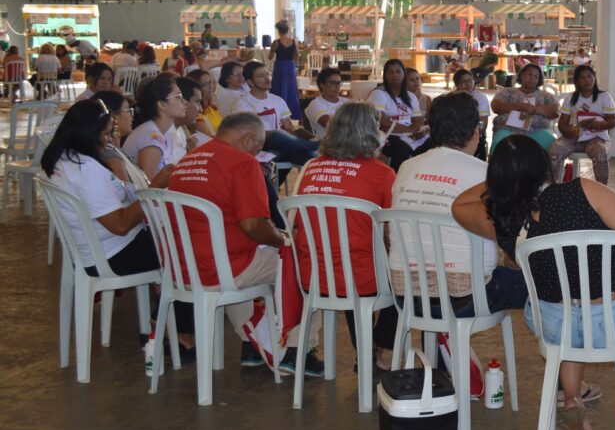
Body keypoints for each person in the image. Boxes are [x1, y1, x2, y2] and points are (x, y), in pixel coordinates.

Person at [451, 134, 615, 430]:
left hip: (555, 327)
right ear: (543, 165)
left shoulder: (501, 218)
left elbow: (458, 205)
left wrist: (502, 182)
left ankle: (572, 400)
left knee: (566, 310)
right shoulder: (582, 191)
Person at [168, 113, 322, 374]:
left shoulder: (187, 161)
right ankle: (299, 350)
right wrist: (284, 241)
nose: (257, 153)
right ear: (250, 139)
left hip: (182, 269)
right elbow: (253, 226)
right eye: (259, 147)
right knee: (309, 264)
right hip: (224, 268)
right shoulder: (241, 162)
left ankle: (252, 345)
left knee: (250, 257)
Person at [41, 98, 195, 348]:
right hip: (114, 254)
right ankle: (175, 328)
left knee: (180, 237)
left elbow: (115, 198)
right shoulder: (86, 170)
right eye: (105, 134)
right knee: (189, 248)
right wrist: (155, 188)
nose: (109, 140)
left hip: (96, 248)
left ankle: (170, 318)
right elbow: (120, 225)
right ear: (87, 134)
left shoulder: (62, 159)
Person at [392, 92, 533, 322]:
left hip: (406, 295)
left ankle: (440, 345)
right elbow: (512, 246)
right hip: (467, 297)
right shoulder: (487, 174)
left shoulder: (406, 167)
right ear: (476, 132)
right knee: (548, 280)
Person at [291, 102, 398, 363]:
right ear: (370, 132)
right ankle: (380, 346)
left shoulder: (310, 168)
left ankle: (367, 350)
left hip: (312, 276)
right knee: (408, 277)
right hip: (361, 279)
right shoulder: (382, 174)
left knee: (350, 257)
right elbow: (392, 235)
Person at [236, 61, 319, 169]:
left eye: (267, 74)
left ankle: (319, 157)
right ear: (250, 82)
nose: (267, 79)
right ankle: (318, 145)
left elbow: (289, 127)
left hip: (279, 147)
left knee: (307, 155)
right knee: (275, 135)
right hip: (258, 147)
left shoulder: (278, 100)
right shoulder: (242, 103)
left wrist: (289, 131)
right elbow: (248, 134)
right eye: (261, 76)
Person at [547, 65, 615, 186]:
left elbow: (613, 121)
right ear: (577, 81)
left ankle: (602, 190)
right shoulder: (570, 97)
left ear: (594, 78)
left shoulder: (604, 96)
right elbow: (562, 124)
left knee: (600, 152)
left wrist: (599, 125)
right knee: (554, 150)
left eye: (589, 76)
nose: (587, 80)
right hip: (573, 137)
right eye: (582, 78)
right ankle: (551, 188)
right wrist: (567, 131)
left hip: (596, 137)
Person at [122, 73, 187, 180]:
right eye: (178, 97)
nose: (184, 102)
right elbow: (150, 186)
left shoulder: (165, 133)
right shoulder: (150, 137)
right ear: (162, 104)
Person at [368, 59, 427, 172]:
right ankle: (395, 179)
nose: (394, 75)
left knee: (430, 146)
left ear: (404, 74)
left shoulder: (411, 96)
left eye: (398, 71)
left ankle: (420, 177)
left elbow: (418, 121)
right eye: (390, 72)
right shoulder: (379, 93)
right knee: (402, 149)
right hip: (388, 136)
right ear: (385, 76)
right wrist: (409, 129)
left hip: (409, 135)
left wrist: (416, 130)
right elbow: (381, 122)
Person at [489, 62, 559, 153]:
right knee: (498, 145)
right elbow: (495, 106)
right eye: (529, 74)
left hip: (538, 130)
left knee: (553, 147)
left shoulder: (545, 95)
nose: (532, 78)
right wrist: (519, 106)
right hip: (508, 130)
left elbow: (555, 112)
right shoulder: (508, 92)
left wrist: (534, 109)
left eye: (536, 77)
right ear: (521, 75)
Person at [452, 68, 491, 161]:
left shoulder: (481, 98)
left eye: (470, 80)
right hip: (454, 135)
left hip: (474, 134)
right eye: (463, 81)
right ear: (457, 84)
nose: (468, 84)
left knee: (479, 145)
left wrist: (475, 134)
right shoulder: (450, 98)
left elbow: (482, 123)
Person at [269, 20, 302, 119]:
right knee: (291, 89)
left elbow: (270, 57)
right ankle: (293, 113)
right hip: (290, 66)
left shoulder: (276, 42)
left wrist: (272, 50)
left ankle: (279, 112)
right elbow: (297, 55)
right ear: (287, 30)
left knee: (278, 87)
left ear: (278, 31)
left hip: (280, 66)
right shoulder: (293, 41)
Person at [304, 67, 347, 137]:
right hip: (328, 142)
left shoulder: (347, 102)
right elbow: (330, 124)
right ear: (322, 85)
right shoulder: (315, 104)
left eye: (338, 83)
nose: (337, 86)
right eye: (332, 83)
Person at [192, 69, 221, 138]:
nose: (210, 86)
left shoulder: (212, 107)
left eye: (210, 82)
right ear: (197, 90)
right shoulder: (195, 115)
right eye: (205, 84)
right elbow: (212, 139)